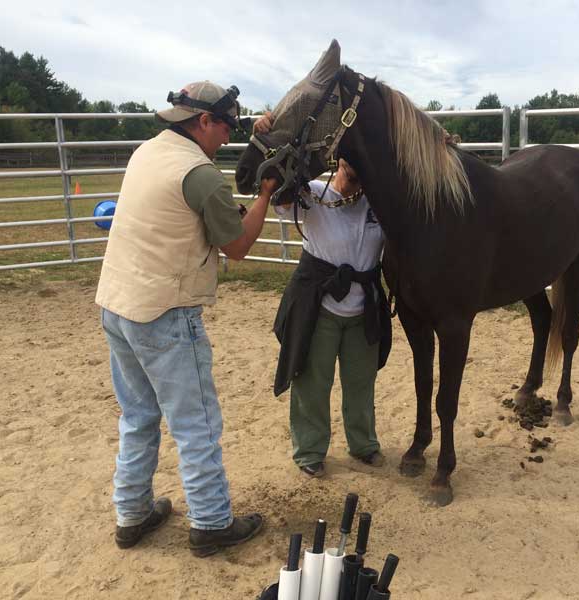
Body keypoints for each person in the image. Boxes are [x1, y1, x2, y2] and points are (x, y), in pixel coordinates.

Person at [95, 81, 276, 557]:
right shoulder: (201, 173)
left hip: (117, 301)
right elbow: (237, 247)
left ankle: (131, 514)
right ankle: (212, 523)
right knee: (196, 422)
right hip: (164, 311)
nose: (229, 135)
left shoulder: (149, 151)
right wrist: (266, 196)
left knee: (137, 416)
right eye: (227, 125)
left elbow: (176, 217)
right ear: (203, 122)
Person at [268, 145, 392, 478]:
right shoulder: (312, 194)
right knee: (311, 382)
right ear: (338, 160)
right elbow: (279, 200)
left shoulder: (377, 204)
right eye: (351, 158)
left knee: (361, 382)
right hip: (320, 306)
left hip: (363, 309)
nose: (358, 165)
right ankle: (309, 450)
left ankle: (364, 444)